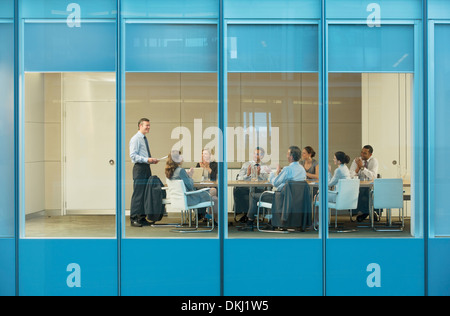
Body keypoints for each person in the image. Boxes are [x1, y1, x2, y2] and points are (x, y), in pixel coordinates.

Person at [239, 146, 307, 231]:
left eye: (287, 154)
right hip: (295, 200)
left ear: (291, 157)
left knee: (253, 196)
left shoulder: (287, 169)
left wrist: (271, 173)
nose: (286, 156)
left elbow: (275, 183)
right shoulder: (302, 169)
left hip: (282, 198)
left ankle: (250, 223)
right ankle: (271, 221)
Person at [166, 150, 218, 222]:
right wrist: (190, 176)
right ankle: (215, 220)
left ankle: (205, 215)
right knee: (214, 192)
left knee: (214, 197)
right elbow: (190, 186)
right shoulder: (181, 171)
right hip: (189, 198)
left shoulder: (170, 171)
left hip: (180, 198)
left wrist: (187, 176)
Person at [129, 118, 159, 227]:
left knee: (145, 194)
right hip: (140, 169)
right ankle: (134, 219)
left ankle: (141, 218)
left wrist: (151, 160)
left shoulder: (144, 139)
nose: (148, 127)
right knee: (138, 194)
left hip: (146, 168)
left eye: (149, 125)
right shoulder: (136, 139)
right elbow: (133, 156)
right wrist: (147, 160)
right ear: (140, 126)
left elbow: (143, 155)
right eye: (147, 125)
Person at [233, 147, 271, 222]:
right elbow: (239, 178)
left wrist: (259, 174)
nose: (255, 156)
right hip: (246, 188)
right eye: (254, 154)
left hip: (259, 188)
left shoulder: (264, 166)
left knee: (253, 193)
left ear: (262, 156)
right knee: (238, 191)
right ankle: (245, 213)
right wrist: (247, 174)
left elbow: (266, 180)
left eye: (258, 154)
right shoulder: (246, 164)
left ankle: (250, 216)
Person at [349, 145, 379, 222]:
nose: (362, 155)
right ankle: (370, 212)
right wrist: (358, 168)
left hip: (370, 186)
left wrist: (362, 167)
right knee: (361, 194)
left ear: (370, 155)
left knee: (367, 194)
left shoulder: (374, 161)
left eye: (365, 153)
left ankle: (365, 213)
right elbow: (350, 175)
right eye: (361, 152)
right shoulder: (357, 161)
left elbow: (373, 176)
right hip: (358, 186)